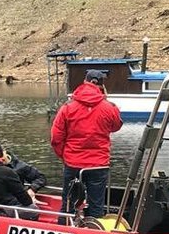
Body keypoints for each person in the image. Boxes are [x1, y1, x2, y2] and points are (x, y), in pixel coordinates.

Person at [50, 69, 123, 220]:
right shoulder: (110, 108)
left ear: (84, 82)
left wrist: (64, 156)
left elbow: (56, 138)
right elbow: (116, 126)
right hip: (99, 164)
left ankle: (65, 232)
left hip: (73, 162)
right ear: (102, 86)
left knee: (68, 204)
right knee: (97, 206)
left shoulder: (67, 108)